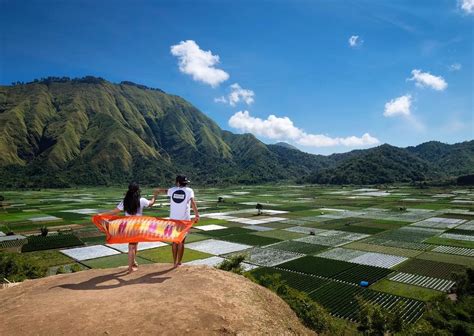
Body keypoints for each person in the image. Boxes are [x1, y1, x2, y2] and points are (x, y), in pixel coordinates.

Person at [100, 182, 158, 274]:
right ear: (138, 190)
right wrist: (155, 195)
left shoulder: (125, 201)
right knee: (132, 246)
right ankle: (130, 267)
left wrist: (102, 215)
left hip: (128, 226)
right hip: (138, 226)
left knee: (133, 245)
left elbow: (114, 211)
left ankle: (133, 263)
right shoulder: (141, 200)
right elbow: (151, 203)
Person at [157, 175, 199, 267]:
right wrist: (197, 215)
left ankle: (174, 261)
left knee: (174, 241)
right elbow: (193, 202)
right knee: (181, 241)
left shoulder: (172, 190)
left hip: (173, 220)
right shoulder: (189, 191)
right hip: (184, 220)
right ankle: (179, 262)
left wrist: (158, 190)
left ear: (177, 182)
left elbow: (165, 191)